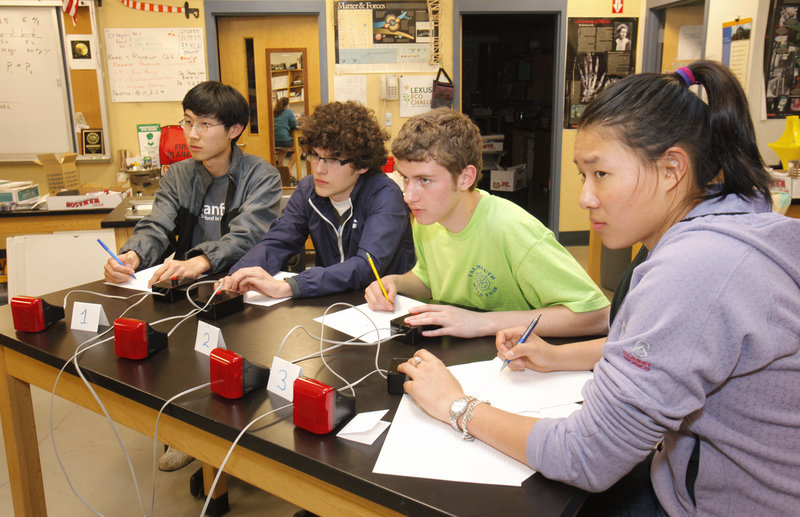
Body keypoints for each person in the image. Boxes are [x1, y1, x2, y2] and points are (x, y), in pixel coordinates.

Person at [398, 61, 800, 515]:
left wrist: (456, 405)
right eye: (581, 176)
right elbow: (674, 349)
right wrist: (557, 355)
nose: (586, 197)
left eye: (601, 174)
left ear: (672, 170)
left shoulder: (697, 268)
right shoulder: (728, 223)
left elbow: (585, 456)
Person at [364, 107, 610, 339]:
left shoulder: (513, 229)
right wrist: (395, 282)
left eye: (424, 180)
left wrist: (483, 322)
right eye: (405, 178)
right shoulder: (427, 219)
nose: (408, 196)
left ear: (465, 177)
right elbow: (431, 280)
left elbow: (597, 316)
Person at [220, 101, 415, 299]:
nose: (319, 169)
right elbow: (277, 242)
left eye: (333, 159)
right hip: (329, 299)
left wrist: (290, 286)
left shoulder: (385, 195)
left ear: (361, 165)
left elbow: (366, 266)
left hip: (385, 306)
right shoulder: (307, 191)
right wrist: (238, 275)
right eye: (314, 155)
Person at [104, 81, 282, 288]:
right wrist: (134, 254)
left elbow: (246, 237)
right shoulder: (179, 175)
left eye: (204, 124)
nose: (192, 134)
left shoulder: (261, 176)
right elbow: (158, 225)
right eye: (188, 122)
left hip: (240, 284)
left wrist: (200, 261)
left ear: (234, 130)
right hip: (189, 284)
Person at [273, 96, 298, 171]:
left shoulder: (274, 111)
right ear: (287, 104)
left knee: (281, 152)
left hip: (274, 141)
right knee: (299, 150)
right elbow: (294, 124)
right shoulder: (288, 111)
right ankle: (289, 167)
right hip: (284, 141)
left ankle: (283, 175)